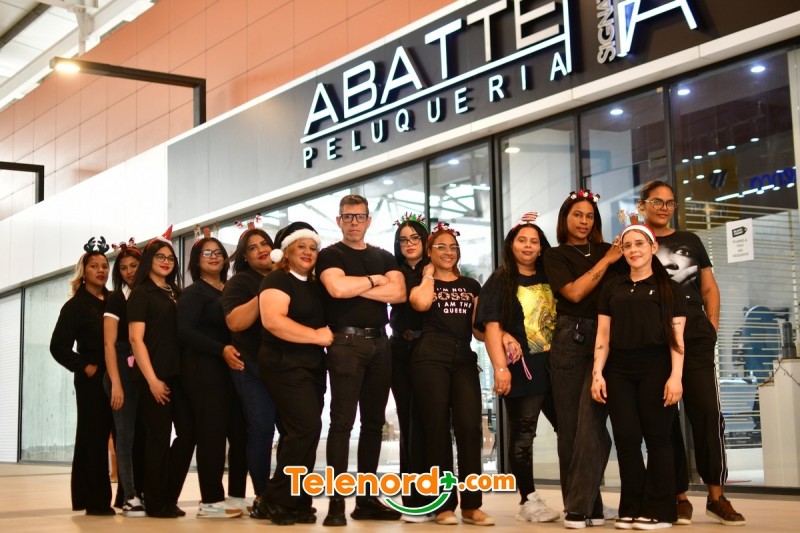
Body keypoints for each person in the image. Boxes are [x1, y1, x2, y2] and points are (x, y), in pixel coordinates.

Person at [639, 180, 746, 526]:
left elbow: (709, 287)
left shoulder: (691, 241)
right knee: (665, 421)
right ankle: (679, 498)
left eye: (670, 203)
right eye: (657, 201)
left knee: (707, 414)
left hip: (697, 339)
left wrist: (711, 327)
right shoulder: (636, 242)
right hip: (656, 342)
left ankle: (716, 496)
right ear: (642, 205)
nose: (664, 208)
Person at [316, 194, 406, 526]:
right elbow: (336, 290)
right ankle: (336, 504)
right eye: (348, 216)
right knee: (342, 423)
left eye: (359, 216)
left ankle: (366, 501)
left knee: (373, 424)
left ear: (368, 220)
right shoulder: (330, 254)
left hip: (381, 344)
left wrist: (356, 286)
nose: (354, 222)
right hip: (345, 342)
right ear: (338, 220)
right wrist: (374, 281)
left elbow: (399, 294)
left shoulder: (383, 256)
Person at [591, 224, 686, 530]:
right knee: (627, 439)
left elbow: (677, 338)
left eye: (639, 244)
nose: (633, 250)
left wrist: (676, 377)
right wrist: (597, 374)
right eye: (628, 245)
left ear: (653, 247)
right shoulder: (612, 287)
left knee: (658, 439)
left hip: (656, 368)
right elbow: (603, 335)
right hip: (619, 371)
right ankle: (631, 507)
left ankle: (661, 511)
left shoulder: (670, 288)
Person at [542, 189, 623, 529]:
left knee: (593, 423)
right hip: (571, 337)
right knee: (571, 427)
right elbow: (573, 293)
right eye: (578, 214)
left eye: (590, 216)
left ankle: (581, 506)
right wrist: (608, 261)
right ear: (566, 218)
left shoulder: (612, 250)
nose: (584, 221)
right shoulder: (556, 255)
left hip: (610, 338)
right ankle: (585, 506)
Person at [475, 213, 560, 523]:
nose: (528, 246)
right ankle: (528, 500)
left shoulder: (551, 275)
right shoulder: (501, 279)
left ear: (541, 247)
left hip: (559, 369)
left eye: (534, 241)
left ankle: (582, 496)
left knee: (572, 432)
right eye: (522, 240)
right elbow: (489, 327)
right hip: (523, 371)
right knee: (523, 436)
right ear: (511, 245)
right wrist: (501, 369)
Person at [409, 222, 492, 526]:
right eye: (440, 247)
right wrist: (429, 275)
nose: (448, 252)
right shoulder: (423, 282)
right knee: (437, 430)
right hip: (430, 355)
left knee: (469, 427)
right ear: (430, 252)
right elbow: (420, 303)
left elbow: (479, 330)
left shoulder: (471, 285)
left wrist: (503, 335)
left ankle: (472, 505)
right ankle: (443, 505)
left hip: (463, 357)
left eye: (453, 247)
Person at [258, 222, 333, 525]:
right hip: (283, 363)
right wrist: (316, 336)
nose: (308, 252)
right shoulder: (277, 279)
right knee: (305, 428)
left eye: (313, 247)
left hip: (312, 367)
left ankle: (297, 500)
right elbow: (273, 321)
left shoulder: (314, 286)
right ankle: (274, 498)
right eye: (301, 246)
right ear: (286, 251)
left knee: (303, 433)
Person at [177, 235, 247, 518]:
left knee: (240, 433)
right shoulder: (193, 293)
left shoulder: (229, 289)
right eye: (207, 253)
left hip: (232, 372)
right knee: (212, 436)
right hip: (204, 371)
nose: (215, 256)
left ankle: (237, 496)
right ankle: (210, 501)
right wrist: (220, 350)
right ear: (196, 261)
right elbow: (185, 331)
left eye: (218, 252)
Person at [128, 234, 194, 518]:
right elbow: (135, 339)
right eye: (160, 257)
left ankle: (168, 495)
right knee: (158, 437)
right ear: (149, 261)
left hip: (180, 375)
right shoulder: (141, 293)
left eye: (170, 258)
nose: (166, 262)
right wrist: (152, 380)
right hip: (154, 376)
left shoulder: (176, 292)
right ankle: (155, 502)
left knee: (188, 433)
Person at [50, 238, 114, 516]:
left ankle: (129, 497)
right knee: (94, 437)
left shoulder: (114, 301)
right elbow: (58, 346)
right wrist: (83, 366)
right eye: (94, 266)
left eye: (104, 266)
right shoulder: (75, 306)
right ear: (83, 271)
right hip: (92, 380)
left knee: (122, 436)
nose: (101, 270)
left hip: (119, 376)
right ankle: (94, 500)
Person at [220, 227, 281, 518]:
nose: (261, 250)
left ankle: (285, 490)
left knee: (294, 431)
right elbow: (235, 323)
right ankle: (262, 494)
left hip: (286, 367)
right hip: (251, 366)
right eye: (253, 247)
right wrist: (265, 291)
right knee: (261, 429)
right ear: (245, 256)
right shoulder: (240, 283)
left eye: (264, 243)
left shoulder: (288, 276)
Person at [388, 212, 430, 519]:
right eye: (403, 240)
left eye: (415, 238)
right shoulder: (392, 271)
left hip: (429, 349)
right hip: (398, 350)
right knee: (407, 422)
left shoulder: (436, 269)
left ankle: (435, 496)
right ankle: (412, 499)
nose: (409, 244)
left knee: (430, 421)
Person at [103, 240, 145, 517]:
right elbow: (109, 344)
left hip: (144, 368)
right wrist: (116, 383)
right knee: (125, 436)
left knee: (144, 436)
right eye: (124, 268)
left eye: (134, 266)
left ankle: (142, 492)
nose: (129, 271)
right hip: (121, 369)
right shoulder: (117, 298)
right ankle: (129, 496)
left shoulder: (149, 295)